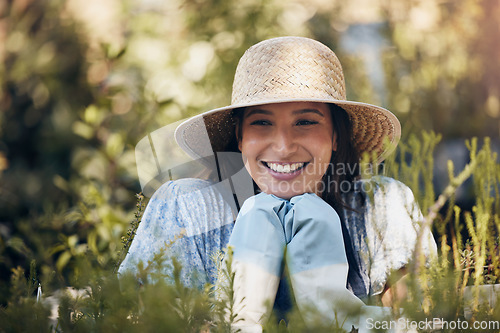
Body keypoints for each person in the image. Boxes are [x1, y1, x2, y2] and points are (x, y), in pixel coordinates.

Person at [118, 36, 437, 331]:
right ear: (240, 136)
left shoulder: (382, 204)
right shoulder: (187, 209)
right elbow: (154, 319)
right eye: (262, 122)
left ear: (336, 135)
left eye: (306, 122)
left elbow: (416, 317)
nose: (283, 146)